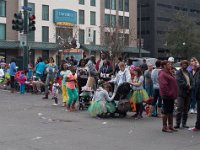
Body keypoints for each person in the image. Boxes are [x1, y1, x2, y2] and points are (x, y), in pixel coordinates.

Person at [158, 60, 178, 133]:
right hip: (167, 96)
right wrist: (169, 93)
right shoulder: (162, 74)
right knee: (166, 111)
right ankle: (164, 127)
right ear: (164, 66)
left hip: (171, 95)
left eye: (170, 64)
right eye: (168, 64)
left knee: (170, 111)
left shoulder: (169, 72)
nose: (170, 65)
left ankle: (170, 125)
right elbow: (163, 86)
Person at [174, 60, 192, 129]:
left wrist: (192, 86)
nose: (184, 65)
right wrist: (188, 86)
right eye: (183, 64)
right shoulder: (178, 72)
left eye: (186, 64)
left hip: (188, 93)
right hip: (181, 93)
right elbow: (179, 81)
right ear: (181, 65)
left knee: (186, 109)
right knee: (179, 108)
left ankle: (184, 123)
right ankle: (177, 124)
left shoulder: (188, 72)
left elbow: (192, 81)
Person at [189, 58, 200, 131]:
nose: (192, 64)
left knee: (199, 111)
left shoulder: (198, 71)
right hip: (196, 92)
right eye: (191, 63)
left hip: (198, 93)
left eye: (194, 63)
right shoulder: (192, 71)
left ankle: (197, 126)